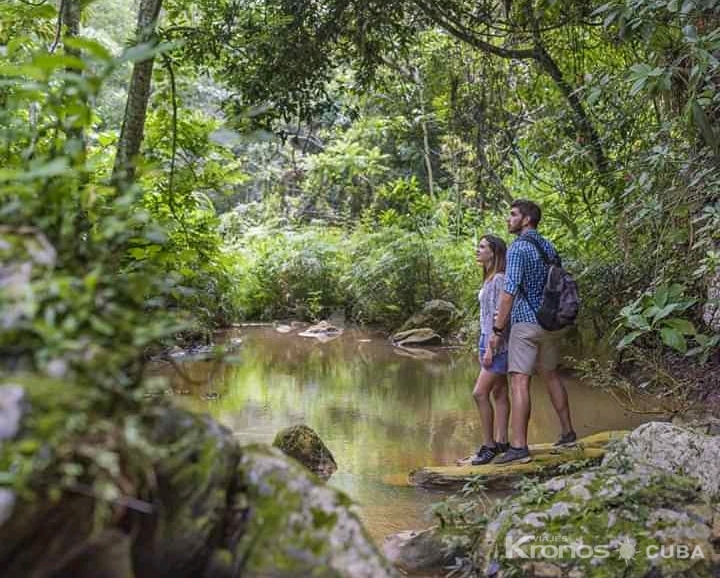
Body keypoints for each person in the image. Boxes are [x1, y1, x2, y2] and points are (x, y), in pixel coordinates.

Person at [489, 199, 576, 465]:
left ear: (526, 220)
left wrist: (497, 330)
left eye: (513, 215)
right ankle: (567, 433)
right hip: (551, 322)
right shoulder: (548, 246)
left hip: (526, 324)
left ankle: (518, 446)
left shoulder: (518, 249)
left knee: (519, 381)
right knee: (550, 375)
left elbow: (508, 293)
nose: (508, 219)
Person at [469, 234, 511, 465]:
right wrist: (482, 343)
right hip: (487, 339)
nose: (477, 250)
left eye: (482, 247)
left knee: (479, 393)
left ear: (494, 252)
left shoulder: (499, 280)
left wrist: (492, 345)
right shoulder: (489, 278)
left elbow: (500, 315)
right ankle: (502, 440)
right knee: (499, 392)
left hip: (497, 342)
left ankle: (489, 446)